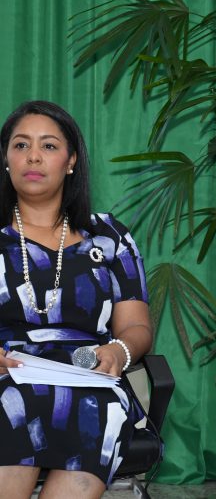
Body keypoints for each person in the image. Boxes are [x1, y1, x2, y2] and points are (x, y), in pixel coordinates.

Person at [0, 101, 153, 499]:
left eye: (49, 146)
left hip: (88, 376)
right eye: (21, 145)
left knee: (95, 410)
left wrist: (119, 351)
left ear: (70, 162)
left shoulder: (109, 237)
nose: (33, 156)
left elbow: (136, 326)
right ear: (6, 159)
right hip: (6, 373)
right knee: (12, 400)